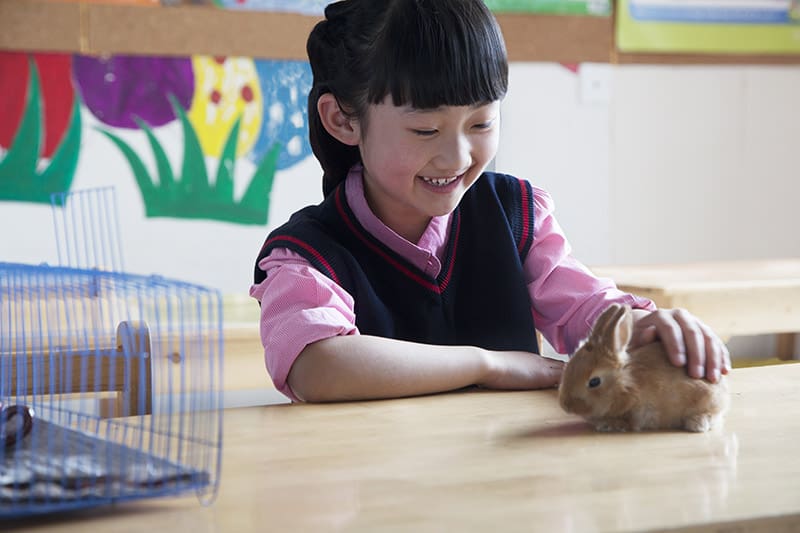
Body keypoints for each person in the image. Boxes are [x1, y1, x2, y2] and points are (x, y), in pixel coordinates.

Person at [250, 0, 730, 403]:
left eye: (481, 124)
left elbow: (586, 311)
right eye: (425, 129)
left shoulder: (517, 213)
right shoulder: (306, 254)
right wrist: (488, 365)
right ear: (343, 121)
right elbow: (317, 366)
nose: (457, 156)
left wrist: (646, 326)